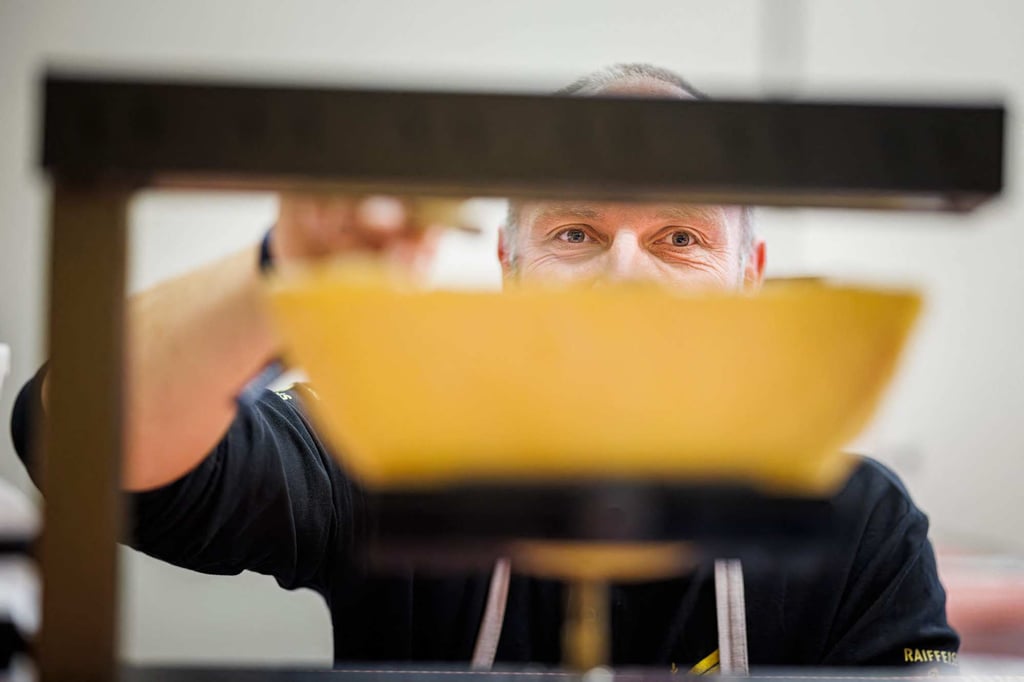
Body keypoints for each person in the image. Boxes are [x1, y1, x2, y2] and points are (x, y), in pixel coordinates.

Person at [10, 64, 958, 671]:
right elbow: (83, 439)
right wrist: (282, 273)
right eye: (576, 231)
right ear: (508, 270)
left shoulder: (861, 525)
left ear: (751, 278)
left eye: (679, 237)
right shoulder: (391, 452)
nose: (623, 280)